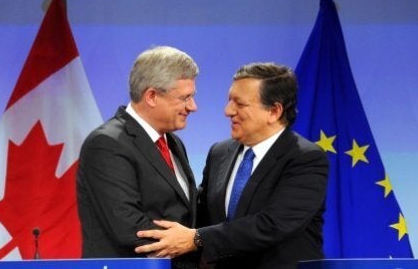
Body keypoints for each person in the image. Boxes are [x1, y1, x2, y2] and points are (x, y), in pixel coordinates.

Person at [134, 62, 329, 269]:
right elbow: (201, 215)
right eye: (229, 101)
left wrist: (196, 238)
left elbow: (273, 224)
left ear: (274, 111)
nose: (228, 111)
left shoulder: (305, 159)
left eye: (240, 104)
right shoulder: (220, 153)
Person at [76, 46, 200, 269]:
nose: (193, 107)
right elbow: (129, 226)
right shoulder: (107, 144)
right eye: (185, 98)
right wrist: (195, 242)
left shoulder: (173, 143)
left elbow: (183, 213)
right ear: (151, 96)